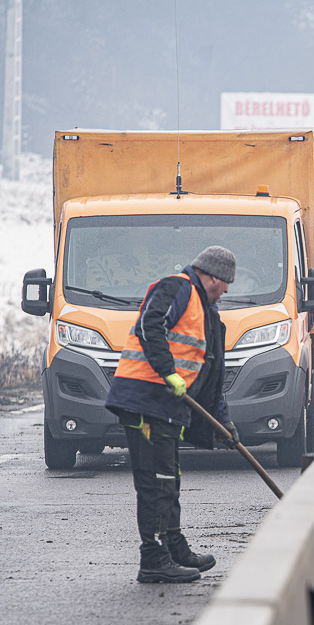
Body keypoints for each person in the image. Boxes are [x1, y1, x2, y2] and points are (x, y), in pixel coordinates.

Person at [104, 245, 240, 584]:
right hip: (145, 400)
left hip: (169, 409)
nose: (227, 289)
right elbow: (152, 325)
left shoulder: (210, 316)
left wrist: (223, 423)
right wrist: (168, 373)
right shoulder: (176, 288)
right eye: (225, 282)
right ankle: (152, 559)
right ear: (211, 276)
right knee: (154, 483)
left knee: (170, 480)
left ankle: (174, 547)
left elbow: (213, 378)